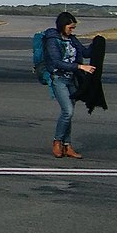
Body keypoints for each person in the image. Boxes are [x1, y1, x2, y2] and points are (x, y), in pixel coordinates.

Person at [43, 11, 96, 159]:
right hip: (58, 78)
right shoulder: (52, 40)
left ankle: (67, 145)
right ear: (62, 25)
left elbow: (85, 53)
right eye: (70, 27)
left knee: (69, 112)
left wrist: (97, 43)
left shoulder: (72, 39)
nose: (72, 30)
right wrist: (80, 67)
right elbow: (56, 62)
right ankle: (57, 141)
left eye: (73, 28)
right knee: (68, 111)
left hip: (72, 80)